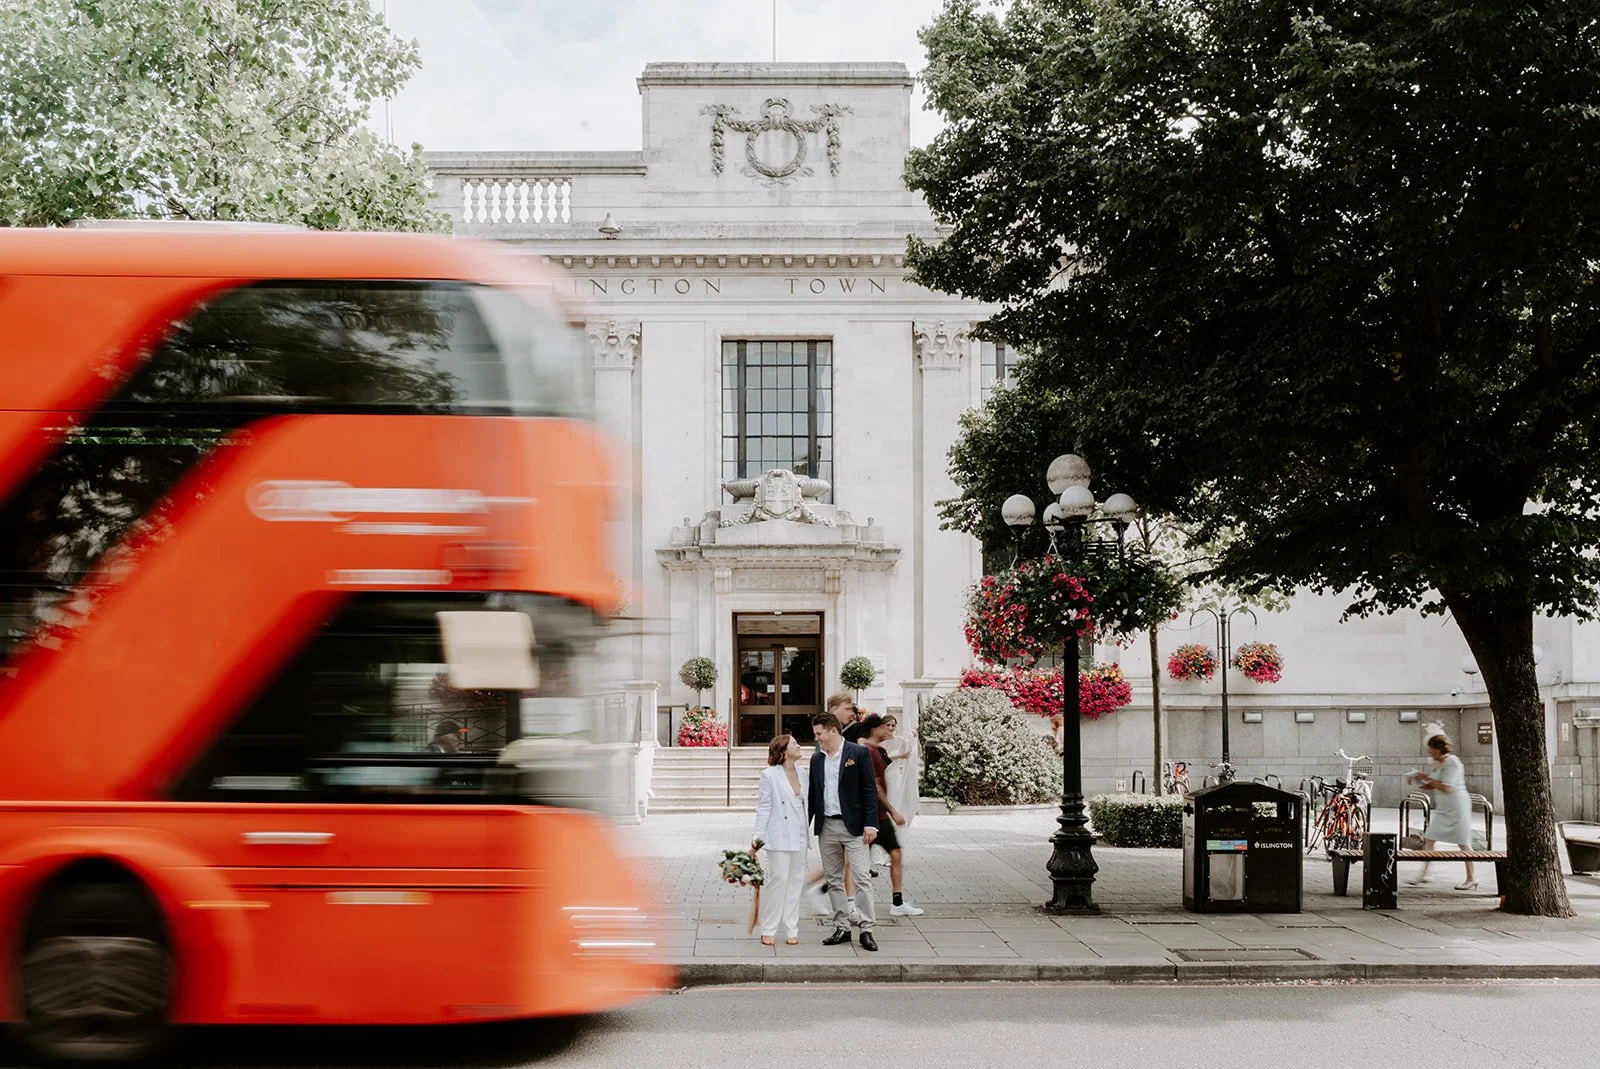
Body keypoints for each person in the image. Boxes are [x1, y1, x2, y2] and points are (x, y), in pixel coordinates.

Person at [808, 710, 879, 952]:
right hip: (826, 826)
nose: (817, 739)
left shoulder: (857, 753)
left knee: (862, 878)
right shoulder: (817, 759)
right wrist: (805, 826)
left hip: (855, 826)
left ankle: (866, 928)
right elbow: (813, 794)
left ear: (833, 731)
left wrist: (871, 823)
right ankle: (842, 927)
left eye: (819, 734)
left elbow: (869, 789)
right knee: (834, 879)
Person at [860, 714, 924, 916]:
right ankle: (827, 892)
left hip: (879, 815)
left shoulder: (877, 750)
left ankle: (897, 903)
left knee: (895, 854)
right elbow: (875, 787)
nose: (889, 729)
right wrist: (893, 811)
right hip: (872, 817)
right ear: (874, 730)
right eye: (884, 727)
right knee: (850, 863)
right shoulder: (868, 752)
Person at [752, 734, 809, 946]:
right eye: (795, 743)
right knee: (779, 880)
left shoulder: (803, 773)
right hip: (779, 835)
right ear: (784, 751)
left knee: (795, 882)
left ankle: (791, 927)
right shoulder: (769, 775)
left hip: (800, 834)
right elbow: (764, 806)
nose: (799, 745)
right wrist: (757, 837)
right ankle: (769, 927)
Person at [1406, 733, 1477, 889]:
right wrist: (1421, 781)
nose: (1429, 752)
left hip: (1457, 807)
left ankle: (1471, 878)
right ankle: (1424, 874)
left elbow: (1447, 787)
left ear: (1439, 749)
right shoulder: (1437, 763)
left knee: (1463, 842)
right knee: (1430, 837)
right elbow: (1436, 783)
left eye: (1431, 749)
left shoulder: (1453, 762)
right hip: (1444, 808)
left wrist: (1426, 778)